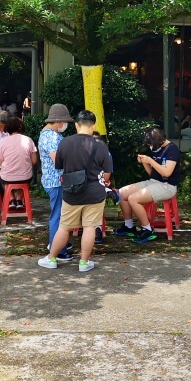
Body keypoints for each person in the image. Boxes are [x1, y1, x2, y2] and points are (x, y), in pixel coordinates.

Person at [39, 110, 111, 272]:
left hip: (72, 192)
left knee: (64, 227)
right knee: (90, 227)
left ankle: (51, 259)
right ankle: (84, 263)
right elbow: (106, 173)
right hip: (95, 193)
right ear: (93, 125)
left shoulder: (65, 143)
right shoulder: (100, 145)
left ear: (77, 125)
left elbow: (59, 165)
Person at [114, 126, 180, 244]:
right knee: (121, 193)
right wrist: (145, 163)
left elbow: (167, 172)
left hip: (167, 186)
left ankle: (147, 230)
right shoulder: (156, 147)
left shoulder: (172, 149)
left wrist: (150, 160)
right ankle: (129, 226)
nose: (150, 147)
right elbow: (152, 174)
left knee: (133, 199)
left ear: (159, 141)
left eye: (150, 144)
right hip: (154, 182)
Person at [38, 104, 74, 260]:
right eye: (64, 122)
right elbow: (57, 161)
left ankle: (59, 244)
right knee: (58, 216)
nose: (65, 125)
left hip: (51, 180)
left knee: (58, 215)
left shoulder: (45, 134)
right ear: (58, 121)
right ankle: (57, 249)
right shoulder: (52, 137)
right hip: (57, 181)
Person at [0, 116, 37, 211]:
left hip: (7, 177)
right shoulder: (28, 140)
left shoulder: (3, 141)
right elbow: (34, 161)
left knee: (2, 179)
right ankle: (19, 200)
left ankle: (11, 199)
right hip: (25, 176)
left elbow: (1, 161)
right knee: (26, 180)